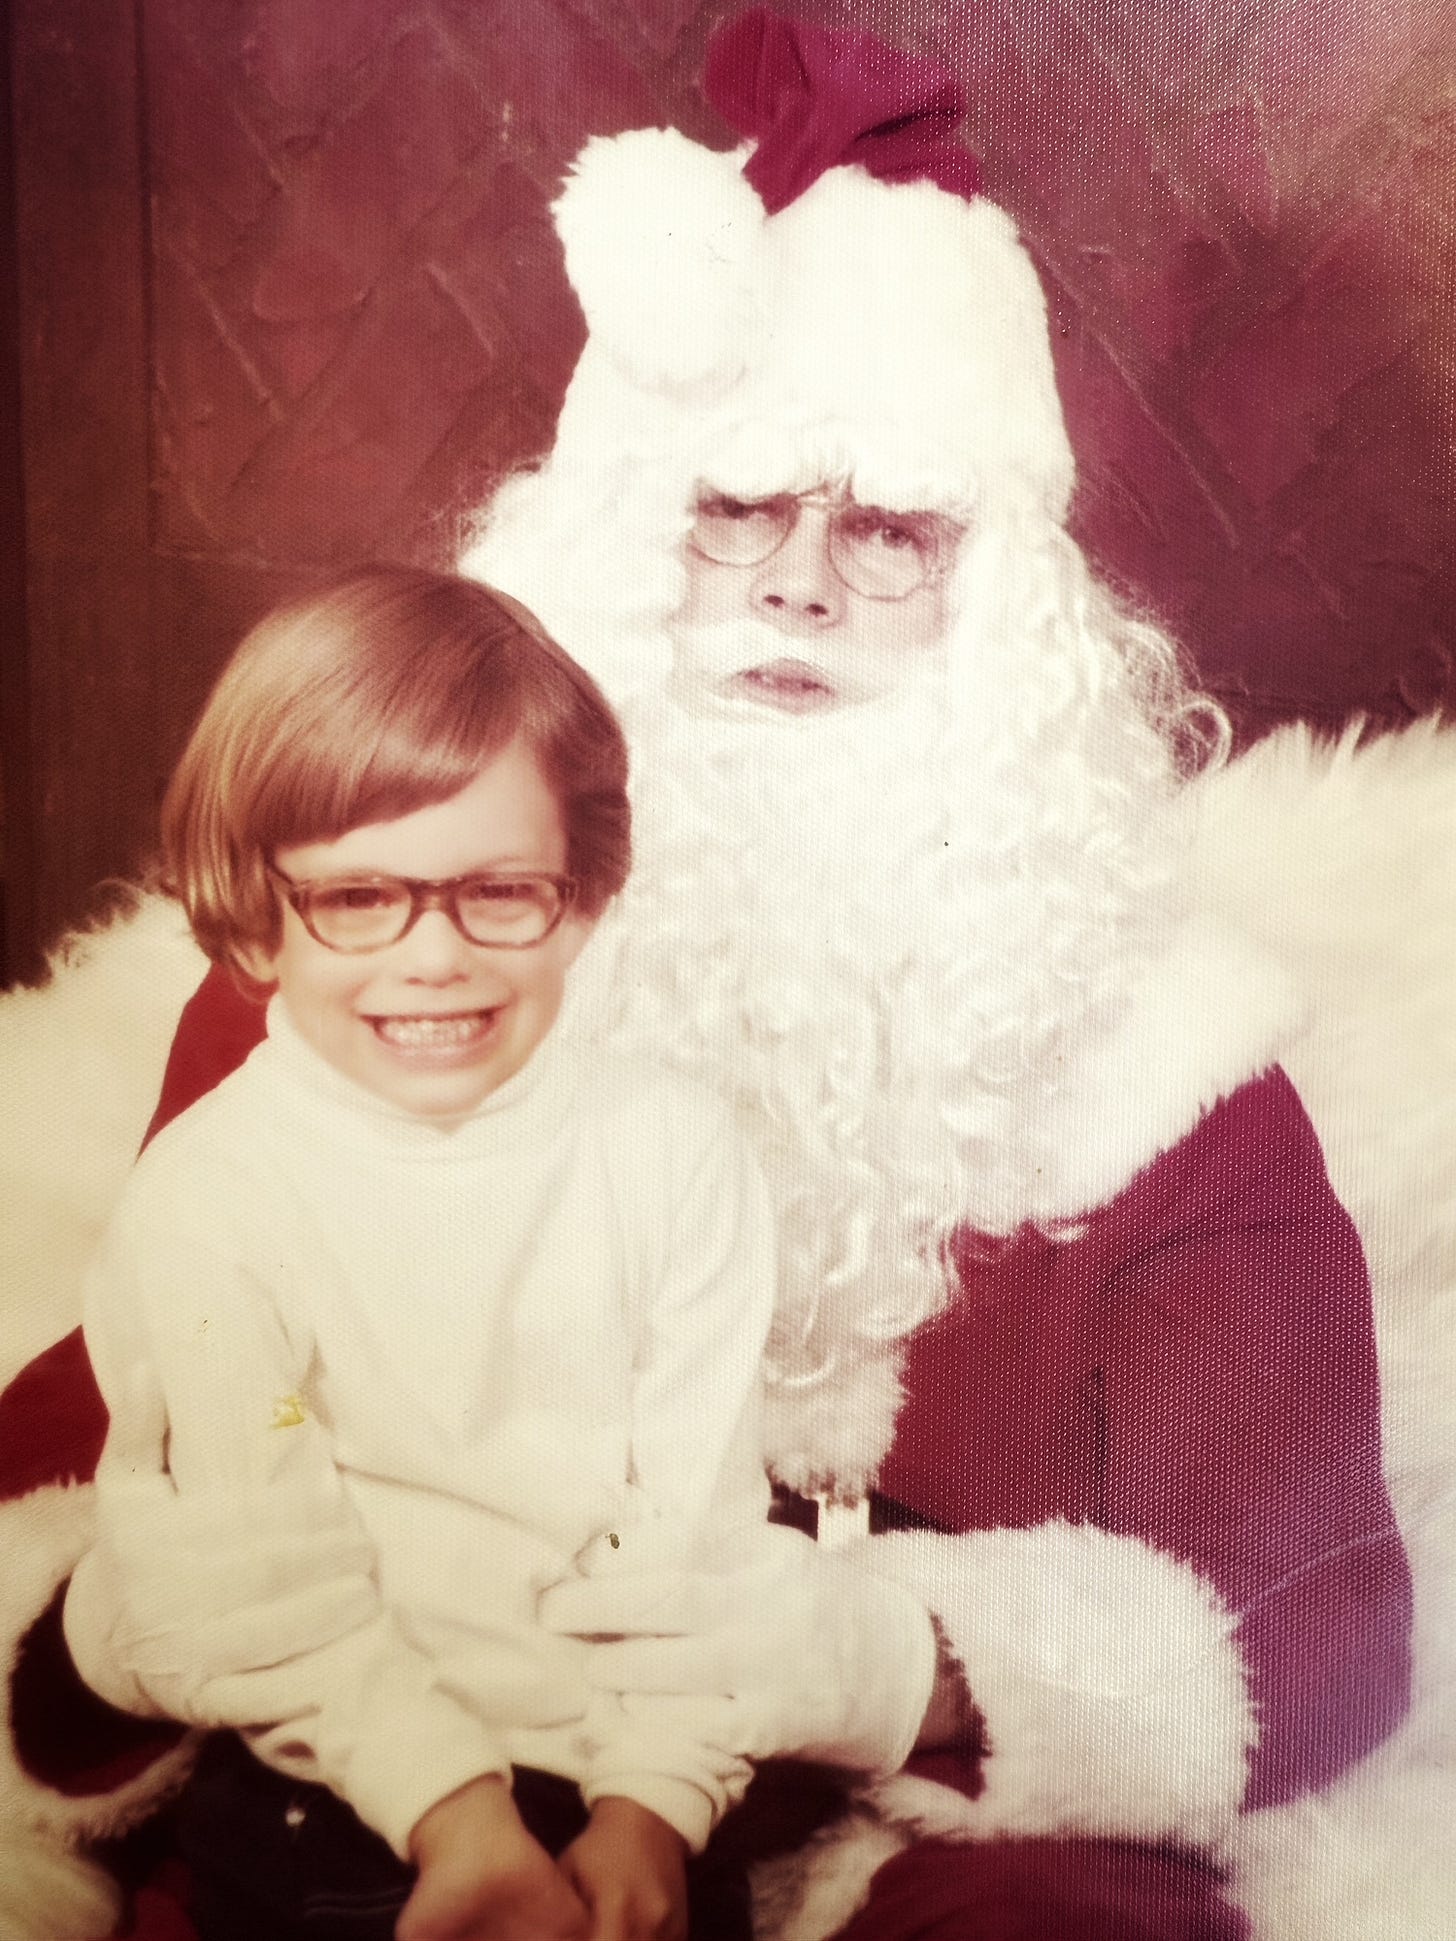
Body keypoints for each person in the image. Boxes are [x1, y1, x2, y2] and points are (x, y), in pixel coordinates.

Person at [0, 11, 1440, 1941]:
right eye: (736, 505)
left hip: (914, 1830)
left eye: (894, 529)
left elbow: (1302, 1623)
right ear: (612, 536)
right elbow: (117, 1448)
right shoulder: (390, 968)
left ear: (1013, 601)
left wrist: (871, 1659)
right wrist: (99, 1640)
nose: (799, 588)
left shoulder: (1166, 1055)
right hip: (396, 1798)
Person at [60, 564, 932, 1941]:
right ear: (254, 898)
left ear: (581, 891)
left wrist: (651, 1807)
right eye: (358, 898)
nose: (435, 957)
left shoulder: (676, 1150)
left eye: (498, 892)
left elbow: (696, 1535)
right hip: (336, 1785)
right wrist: (456, 1820)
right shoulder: (211, 1194)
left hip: (625, 1790)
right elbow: (258, 1578)